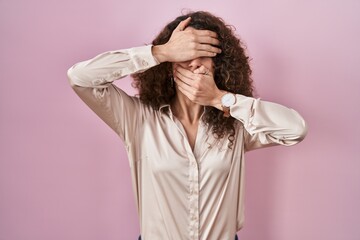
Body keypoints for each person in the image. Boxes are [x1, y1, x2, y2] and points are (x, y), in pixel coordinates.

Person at [67, 11, 307, 240]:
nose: (193, 63)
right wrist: (160, 52)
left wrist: (219, 99)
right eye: (184, 52)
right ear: (171, 65)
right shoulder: (139, 119)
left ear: (217, 64)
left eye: (203, 52)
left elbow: (295, 129)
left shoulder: (235, 124)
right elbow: (80, 78)